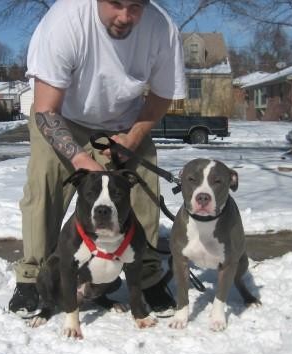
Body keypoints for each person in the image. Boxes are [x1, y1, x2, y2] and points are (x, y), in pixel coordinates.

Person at [9, 0, 186, 318]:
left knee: (143, 188)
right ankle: (32, 277)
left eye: (135, 7)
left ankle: (146, 275)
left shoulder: (162, 29)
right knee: (44, 188)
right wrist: (78, 158)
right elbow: (46, 109)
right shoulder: (65, 22)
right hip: (61, 118)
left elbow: (163, 94)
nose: (125, 16)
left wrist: (132, 139)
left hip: (124, 123)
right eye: (115, 3)